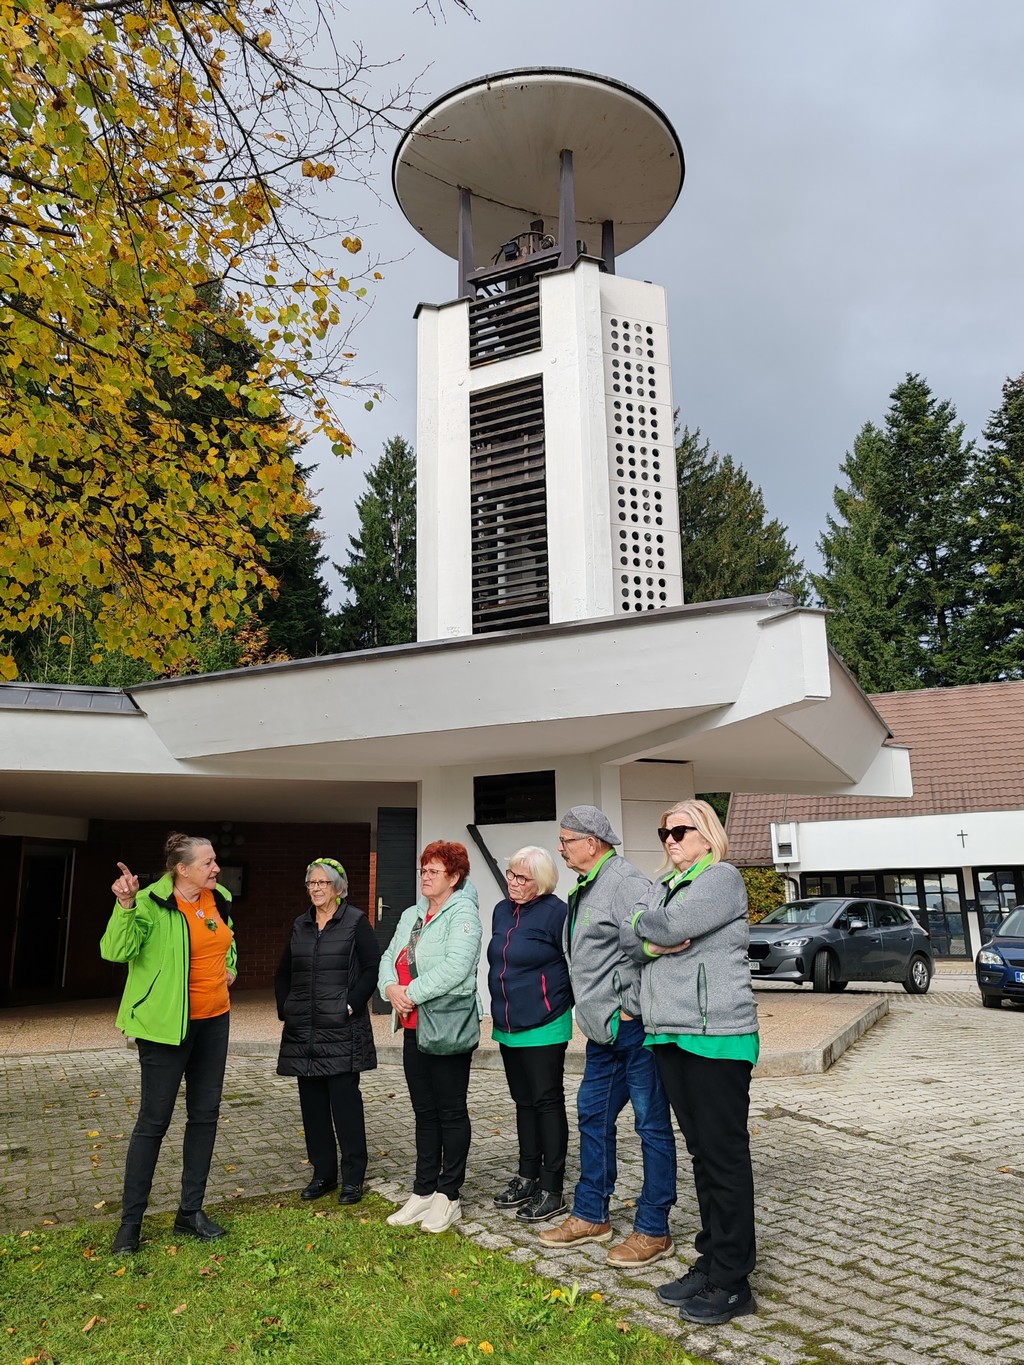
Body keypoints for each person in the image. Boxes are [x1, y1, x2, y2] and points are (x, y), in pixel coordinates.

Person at [622, 798, 759, 1325]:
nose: (671, 840)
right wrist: (651, 938)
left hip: (716, 1035)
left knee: (724, 1157)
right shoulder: (664, 885)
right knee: (701, 1155)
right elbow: (631, 937)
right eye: (665, 833)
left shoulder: (721, 878)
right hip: (670, 1034)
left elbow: (670, 924)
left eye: (680, 831)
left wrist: (648, 927)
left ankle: (734, 1281)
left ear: (706, 834)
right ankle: (711, 1261)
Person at [538, 805, 677, 1267]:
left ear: (591, 843)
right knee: (592, 1115)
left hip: (632, 1029)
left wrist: (629, 1007)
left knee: (650, 1124)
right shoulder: (587, 884)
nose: (561, 848)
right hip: (603, 1034)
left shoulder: (626, 883)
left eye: (566, 841)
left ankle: (654, 1228)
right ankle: (591, 1215)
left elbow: (650, 947)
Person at [101, 833, 237, 1255]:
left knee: (205, 1115)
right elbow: (116, 950)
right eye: (208, 862)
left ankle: (190, 1213)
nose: (216, 868)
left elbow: (226, 940)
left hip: (214, 1022)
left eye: (215, 861)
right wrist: (125, 905)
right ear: (182, 869)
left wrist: (231, 966)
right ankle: (131, 1223)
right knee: (154, 1121)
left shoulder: (219, 898)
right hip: (164, 1028)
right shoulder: (150, 902)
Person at [378, 841, 482, 1234]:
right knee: (424, 1111)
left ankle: (448, 1195)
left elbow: (458, 966)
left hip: (446, 1026)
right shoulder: (412, 914)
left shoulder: (464, 914)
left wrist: (411, 993)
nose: (425, 876)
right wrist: (390, 989)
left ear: (454, 877)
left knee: (450, 1111)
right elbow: (389, 957)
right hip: (413, 1025)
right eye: (424, 870)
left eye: (434, 871)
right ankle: (423, 1190)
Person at [275, 858, 382, 1206]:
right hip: (304, 1031)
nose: (316, 888)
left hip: (341, 1029)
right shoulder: (301, 924)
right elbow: (284, 971)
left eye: (323, 882)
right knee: (313, 1107)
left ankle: (353, 1178)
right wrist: (286, 1007)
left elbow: (371, 968)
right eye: (312, 883)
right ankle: (323, 1173)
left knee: (345, 1105)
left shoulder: (356, 922)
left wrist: (350, 1005)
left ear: (339, 887)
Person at [487, 845, 572, 1225]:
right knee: (523, 1102)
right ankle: (527, 1176)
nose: (514, 882)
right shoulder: (501, 910)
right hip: (508, 1026)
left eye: (523, 878)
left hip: (544, 1023)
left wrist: (557, 1001)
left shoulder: (557, 912)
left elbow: (573, 962)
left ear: (542, 882)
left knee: (547, 1102)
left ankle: (552, 1188)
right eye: (511, 874)